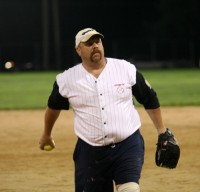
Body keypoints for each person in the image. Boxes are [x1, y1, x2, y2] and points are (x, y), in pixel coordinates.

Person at [39, 28, 174, 192]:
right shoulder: (66, 79)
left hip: (128, 144)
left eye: (98, 41)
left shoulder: (125, 69)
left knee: (130, 189)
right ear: (78, 50)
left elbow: (149, 98)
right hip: (90, 151)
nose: (95, 45)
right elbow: (53, 108)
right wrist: (47, 134)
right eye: (89, 43)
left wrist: (161, 131)